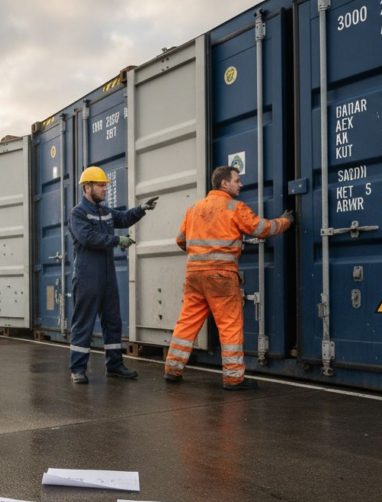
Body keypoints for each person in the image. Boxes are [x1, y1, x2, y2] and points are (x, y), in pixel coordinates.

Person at [163, 166, 293, 390]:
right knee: (229, 325)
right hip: (221, 274)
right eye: (237, 180)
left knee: (187, 321)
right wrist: (285, 221)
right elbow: (261, 228)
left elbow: (180, 240)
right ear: (224, 183)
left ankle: (172, 369)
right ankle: (233, 378)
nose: (240, 184)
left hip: (194, 275)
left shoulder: (194, 208)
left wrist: (201, 254)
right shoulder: (235, 207)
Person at [69, 166, 157, 384]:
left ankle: (115, 365)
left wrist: (141, 209)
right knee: (84, 322)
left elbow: (123, 218)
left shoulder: (105, 211)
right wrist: (118, 240)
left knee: (113, 321)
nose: (104, 189)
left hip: (107, 277)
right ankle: (77, 369)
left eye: (105, 185)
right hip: (87, 276)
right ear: (87, 188)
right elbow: (89, 238)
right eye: (100, 185)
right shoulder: (78, 213)